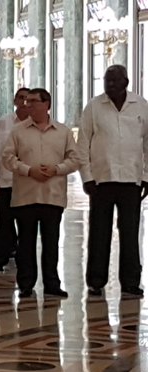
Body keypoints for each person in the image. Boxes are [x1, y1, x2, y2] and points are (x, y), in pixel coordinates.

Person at [77, 64, 148, 297]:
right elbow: (82, 146)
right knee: (98, 232)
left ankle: (130, 281)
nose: (109, 85)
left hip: (130, 179)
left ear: (125, 83)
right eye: (107, 81)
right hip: (101, 181)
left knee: (130, 232)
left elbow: (147, 143)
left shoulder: (141, 105)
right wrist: (87, 177)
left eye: (114, 81)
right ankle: (96, 281)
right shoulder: (94, 107)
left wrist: (146, 176)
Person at [2, 88, 80, 298]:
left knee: (51, 241)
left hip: (52, 196)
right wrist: (29, 170)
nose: (29, 105)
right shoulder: (18, 131)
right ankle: (26, 284)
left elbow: (74, 159)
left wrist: (57, 169)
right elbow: (7, 158)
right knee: (25, 243)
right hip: (25, 195)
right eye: (27, 102)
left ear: (47, 105)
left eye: (34, 101)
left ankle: (52, 283)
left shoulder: (63, 132)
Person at [0, 88, 29, 271]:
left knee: (25, 223)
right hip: (6, 181)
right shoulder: (3, 124)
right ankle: (0, 257)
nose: (24, 102)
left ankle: (23, 257)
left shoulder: (36, 125)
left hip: (28, 182)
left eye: (27, 99)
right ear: (15, 101)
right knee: (4, 220)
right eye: (20, 98)